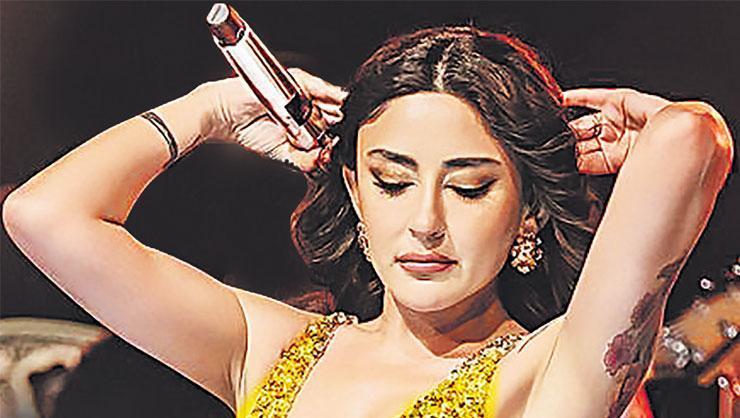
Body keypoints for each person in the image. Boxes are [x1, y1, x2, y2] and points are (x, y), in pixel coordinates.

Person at [2, 25, 732, 418]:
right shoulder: (272, 349)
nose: (425, 222)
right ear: (353, 191)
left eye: (470, 188)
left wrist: (644, 129)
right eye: (392, 182)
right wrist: (209, 109)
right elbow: (43, 216)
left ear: (528, 211)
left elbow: (693, 140)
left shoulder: (549, 371)